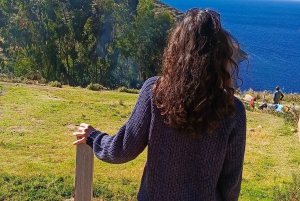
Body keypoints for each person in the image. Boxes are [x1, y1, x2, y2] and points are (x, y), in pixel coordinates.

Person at [73, 8, 247, 200]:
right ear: (220, 54)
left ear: (177, 50)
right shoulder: (233, 110)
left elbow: (123, 149)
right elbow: (231, 186)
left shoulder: (155, 91)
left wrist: (93, 137)